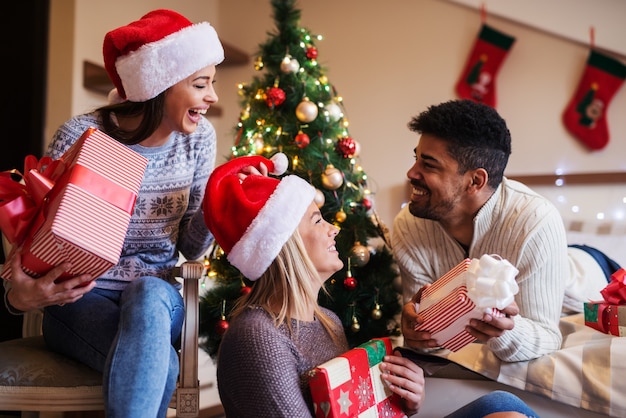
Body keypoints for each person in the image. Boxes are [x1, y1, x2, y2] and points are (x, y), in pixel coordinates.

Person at [2, 9, 226, 417]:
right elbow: (36, 234)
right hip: (80, 297)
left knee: (148, 293)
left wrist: (216, 208)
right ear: (160, 85)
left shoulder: (198, 141)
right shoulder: (83, 135)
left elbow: (192, 250)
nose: (213, 96)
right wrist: (19, 296)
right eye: (201, 84)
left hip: (158, 301)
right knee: (165, 364)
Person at [202, 153, 539, 417]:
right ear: (284, 244)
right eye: (317, 220)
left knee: (500, 405)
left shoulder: (327, 321)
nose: (333, 229)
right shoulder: (258, 336)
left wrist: (402, 402)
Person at [393, 99, 619, 363]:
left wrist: (502, 332)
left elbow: (547, 336)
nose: (411, 172)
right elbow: (427, 336)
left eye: (428, 164)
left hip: (589, 275)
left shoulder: (535, 220)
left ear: (475, 181)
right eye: (416, 158)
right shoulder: (409, 225)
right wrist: (418, 333)